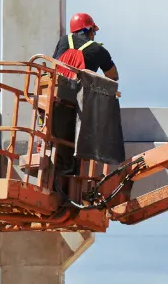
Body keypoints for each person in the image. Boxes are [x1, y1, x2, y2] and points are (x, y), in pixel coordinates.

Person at [45, 12, 119, 197]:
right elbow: (113, 76)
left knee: (54, 142)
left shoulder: (64, 41)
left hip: (53, 102)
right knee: (74, 147)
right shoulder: (98, 50)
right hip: (77, 107)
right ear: (90, 30)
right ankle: (69, 183)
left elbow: (54, 66)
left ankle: (53, 179)